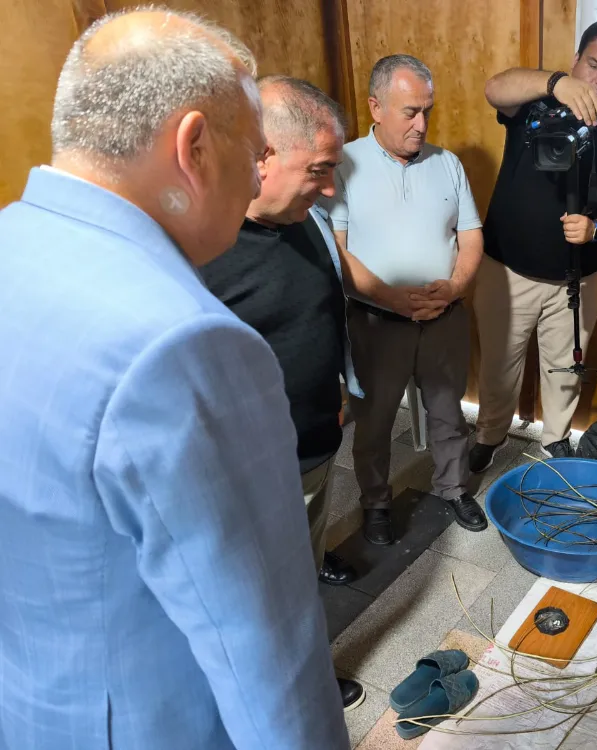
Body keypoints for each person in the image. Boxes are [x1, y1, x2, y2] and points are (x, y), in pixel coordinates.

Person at [0, 9, 349, 749]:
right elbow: (265, 647)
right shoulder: (187, 344)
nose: (255, 177)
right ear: (194, 147)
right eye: (252, 152)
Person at [199, 75, 365, 711]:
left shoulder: (308, 221)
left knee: (296, 586)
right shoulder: (199, 250)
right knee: (256, 600)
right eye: (319, 169)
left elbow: (318, 312)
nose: (330, 188)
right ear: (262, 157)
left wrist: (337, 386)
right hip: (249, 472)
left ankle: (303, 673)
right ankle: (279, 701)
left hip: (314, 445)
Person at [469, 21, 597, 471]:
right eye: (594, 65)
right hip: (506, 269)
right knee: (497, 366)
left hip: (580, 276)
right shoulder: (537, 104)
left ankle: (556, 441)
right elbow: (494, 89)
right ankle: (489, 434)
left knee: (566, 368)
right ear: (576, 61)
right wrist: (556, 84)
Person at [326, 54, 487, 544]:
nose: (421, 124)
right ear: (375, 107)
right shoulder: (344, 163)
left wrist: (455, 287)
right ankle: (375, 502)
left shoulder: (447, 163)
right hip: (376, 323)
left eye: (427, 112)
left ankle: (453, 487)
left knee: (448, 413)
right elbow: (338, 251)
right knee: (373, 424)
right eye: (410, 112)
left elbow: (471, 236)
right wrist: (391, 299)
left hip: (443, 318)